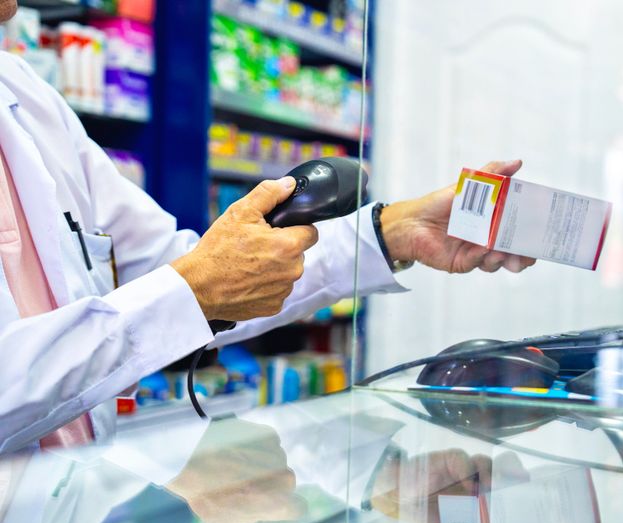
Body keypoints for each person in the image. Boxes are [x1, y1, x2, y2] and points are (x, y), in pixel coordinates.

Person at [0, 1, 535, 452]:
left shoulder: (27, 96)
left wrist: (395, 231)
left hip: (72, 498)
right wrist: (194, 290)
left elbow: (181, 270)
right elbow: (187, 287)